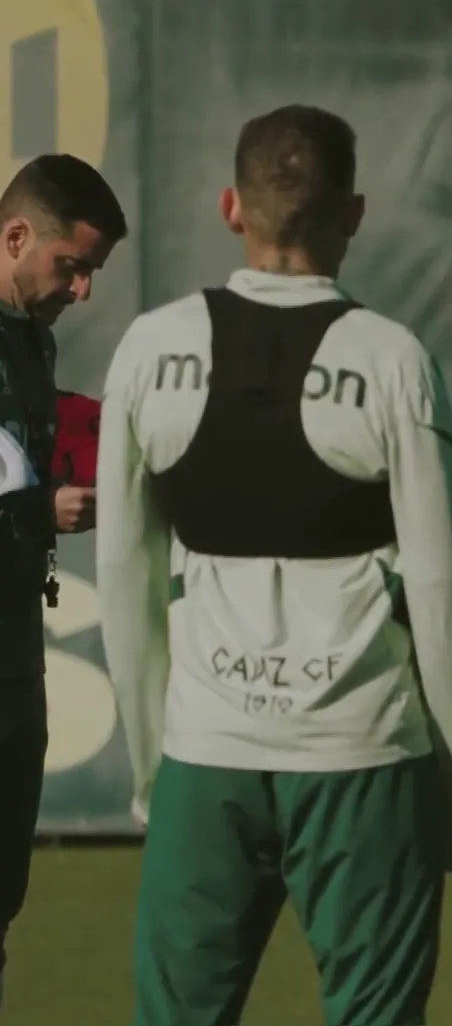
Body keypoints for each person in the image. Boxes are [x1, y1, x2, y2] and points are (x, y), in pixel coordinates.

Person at [95, 105, 452, 1026]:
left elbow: (122, 571)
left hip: (206, 752)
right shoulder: (393, 360)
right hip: (363, 754)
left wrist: (155, 765)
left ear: (231, 206)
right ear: (353, 214)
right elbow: (441, 592)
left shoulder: (150, 347)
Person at [0, 153, 123, 1008]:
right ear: (15, 236)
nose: (81, 289)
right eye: (71, 265)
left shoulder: (29, 340)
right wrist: (41, 510)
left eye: (93, 272)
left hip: (15, 663)